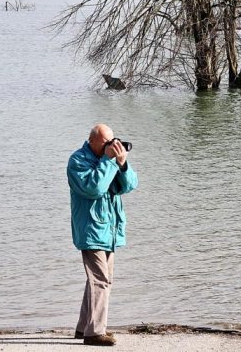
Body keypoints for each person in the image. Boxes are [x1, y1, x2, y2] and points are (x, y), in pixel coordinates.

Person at [67, 124, 138, 346]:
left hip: (109, 229)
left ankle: (83, 328)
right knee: (101, 281)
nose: (112, 146)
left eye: (113, 141)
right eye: (107, 142)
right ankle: (95, 333)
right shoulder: (78, 161)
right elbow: (94, 188)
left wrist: (122, 164)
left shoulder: (109, 159)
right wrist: (108, 161)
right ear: (93, 142)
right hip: (91, 230)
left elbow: (129, 186)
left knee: (99, 281)